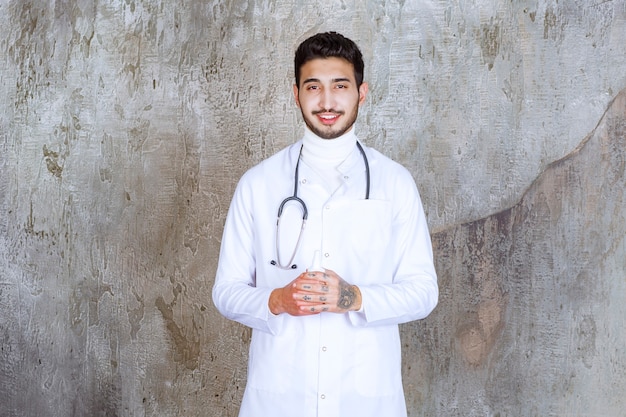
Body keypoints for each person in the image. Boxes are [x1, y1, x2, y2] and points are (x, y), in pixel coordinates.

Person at [212, 31, 438, 417]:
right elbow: (226, 292)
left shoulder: (394, 183)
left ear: (361, 93)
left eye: (340, 86)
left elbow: (423, 293)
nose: (327, 101)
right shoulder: (259, 184)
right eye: (313, 86)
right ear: (296, 93)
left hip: (365, 399)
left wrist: (354, 297)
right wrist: (277, 300)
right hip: (280, 399)